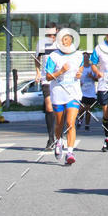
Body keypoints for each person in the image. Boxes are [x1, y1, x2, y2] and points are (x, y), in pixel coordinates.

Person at [45, 27, 84, 165]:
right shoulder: (54, 56)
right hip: (58, 93)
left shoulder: (78, 55)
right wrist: (61, 71)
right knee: (60, 124)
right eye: (62, 39)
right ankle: (58, 142)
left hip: (73, 93)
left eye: (67, 39)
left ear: (71, 40)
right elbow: (48, 76)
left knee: (70, 123)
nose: (64, 41)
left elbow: (80, 68)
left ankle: (70, 152)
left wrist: (79, 73)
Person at [35, 23, 58, 150]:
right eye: (48, 34)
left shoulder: (61, 44)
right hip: (46, 79)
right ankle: (51, 139)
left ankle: (59, 134)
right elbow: (37, 59)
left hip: (60, 80)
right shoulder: (41, 43)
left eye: (53, 35)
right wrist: (38, 72)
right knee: (49, 107)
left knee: (59, 108)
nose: (51, 37)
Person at [76, 52, 97, 130]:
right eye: (83, 57)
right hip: (81, 92)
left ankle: (87, 125)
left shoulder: (92, 68)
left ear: (89, 58)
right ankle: (80, 119)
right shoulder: (80, 68)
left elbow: (98, 78)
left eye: (86, 57)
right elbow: (75, 78)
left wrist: (92, 77)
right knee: (82, 108)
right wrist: (78, 83)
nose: (85, 59)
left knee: (88, 109)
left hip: (91, 92)